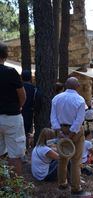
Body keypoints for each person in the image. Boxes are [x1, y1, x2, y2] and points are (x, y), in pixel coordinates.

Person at [50, 77, 89, 196]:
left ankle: (62, 184)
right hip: (75, 132)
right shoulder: (80, 100)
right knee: (76, 160)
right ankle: (76, 188)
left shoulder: (56, 98)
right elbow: (79, 120)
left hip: (61, 129)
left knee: (62, 159)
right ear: (77, 86)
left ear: (66, 85)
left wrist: (60, 132)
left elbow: (53, 117)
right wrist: (71, 134)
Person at [0, 42, 26, 176]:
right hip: (12, 117)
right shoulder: (11, 72)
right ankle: (17, 192)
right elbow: (22, 96)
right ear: (5, 55)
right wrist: (18, 107)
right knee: (15, 156)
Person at [21, 70, 36, 149]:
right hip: (29, 112)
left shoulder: (19, 87)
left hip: (19, 112)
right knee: (26, 133)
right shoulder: (33, 88)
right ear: (30, 78)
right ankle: (26, 149)